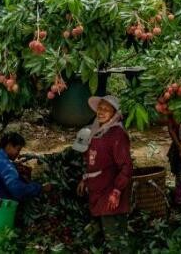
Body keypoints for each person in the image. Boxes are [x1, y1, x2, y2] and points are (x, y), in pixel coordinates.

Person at [72, 95, 133, 250]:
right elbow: (92, 160)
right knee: (101, 230)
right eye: (100, 108)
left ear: (114, 113)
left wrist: (117, 190)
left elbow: (126, 166)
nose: (101, 112)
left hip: (110, 189)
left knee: (114, 233)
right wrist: (85, 178)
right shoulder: (96, 131)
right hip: (97, 188)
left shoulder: (117, 134)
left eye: (107, 109)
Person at [0, 132, 52, 204]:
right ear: (9, 146)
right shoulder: (6, 165)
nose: (18, 154)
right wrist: (40, 188)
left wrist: (14, 167)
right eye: (18, 149)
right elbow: (18, 191)